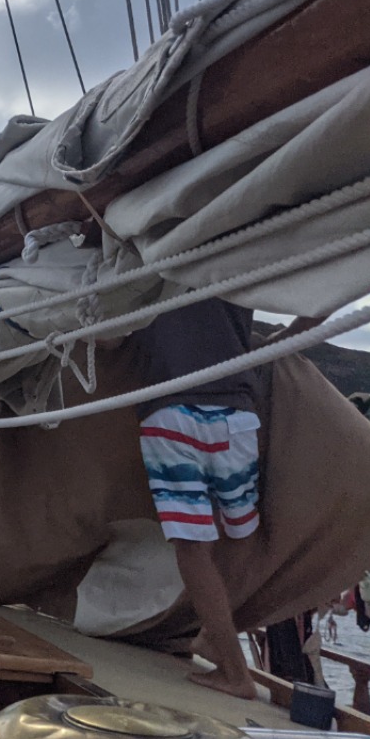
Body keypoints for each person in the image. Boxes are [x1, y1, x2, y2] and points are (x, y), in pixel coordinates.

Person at [132, 298, 262, 699]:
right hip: (236, 413)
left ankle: (236, 673)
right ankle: (214, 636)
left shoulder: (142, 264)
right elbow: (317, 302)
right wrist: (286, 337)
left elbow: (108, 341)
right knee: (243, 532)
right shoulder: (239, 264)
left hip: (170, 409)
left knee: (192, 547)